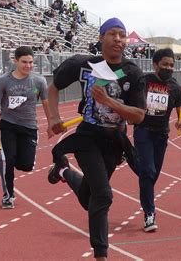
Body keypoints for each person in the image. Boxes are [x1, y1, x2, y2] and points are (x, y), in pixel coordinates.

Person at [46, 18, 146, 261]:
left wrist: (109, 101)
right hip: (88, 137)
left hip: (114, 141)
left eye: (122, 35)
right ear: (101, 38)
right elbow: (53, 88)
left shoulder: (132, 72)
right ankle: (101, 255)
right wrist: (54, 118)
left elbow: (139, 116)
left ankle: (64, 173)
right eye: (112, 34)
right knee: (103, 195)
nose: (118, 39)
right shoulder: (83, 65)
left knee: (89, 198)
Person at [0, 46, 51, 209]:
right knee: (8, 160)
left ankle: (13, 158)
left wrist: (51, 123)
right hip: (8, 124)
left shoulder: (39, 81)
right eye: (24, 62)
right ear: (15, 61)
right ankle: (8, 195)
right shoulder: (4, 81)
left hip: (29, 126)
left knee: (26, 165)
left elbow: (45, 102)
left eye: (31, 62)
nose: (28, 66)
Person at [133, 48, 181, 232]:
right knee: (148, 171)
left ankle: (132, 159)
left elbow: (180, 107)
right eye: (165, 64)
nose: (168, 68)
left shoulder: (176, 87)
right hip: (143, 131)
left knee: (152, 174)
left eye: (171, 65)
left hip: (162, 134)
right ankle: (149, 214)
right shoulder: (144, 82)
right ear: (155, 65)